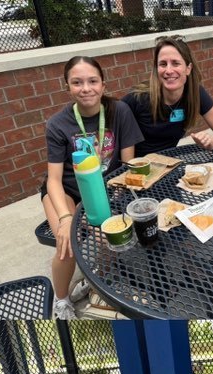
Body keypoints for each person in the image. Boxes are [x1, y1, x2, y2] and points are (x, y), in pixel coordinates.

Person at [44, 56, 141, 323]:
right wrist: (66, 218)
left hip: (104, 189)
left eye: (92, 81)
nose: (85, 88)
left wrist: (112, 201)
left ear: (103, 84)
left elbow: (127, 164)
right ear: (67, 86)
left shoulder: (119, 111)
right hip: (66, 189)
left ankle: (93, 277)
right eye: (77, 82)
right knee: (68, 243)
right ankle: (62, 299)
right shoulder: (57, 124)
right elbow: (52, 179)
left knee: (107, 236)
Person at [123, 35, 213, 155]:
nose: (168, 70)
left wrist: (212, 143)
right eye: (163, 64)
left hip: (169, 164)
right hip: (141, 167)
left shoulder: (194, 92)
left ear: (188, 68)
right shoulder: (137, 98)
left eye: (175, 63)